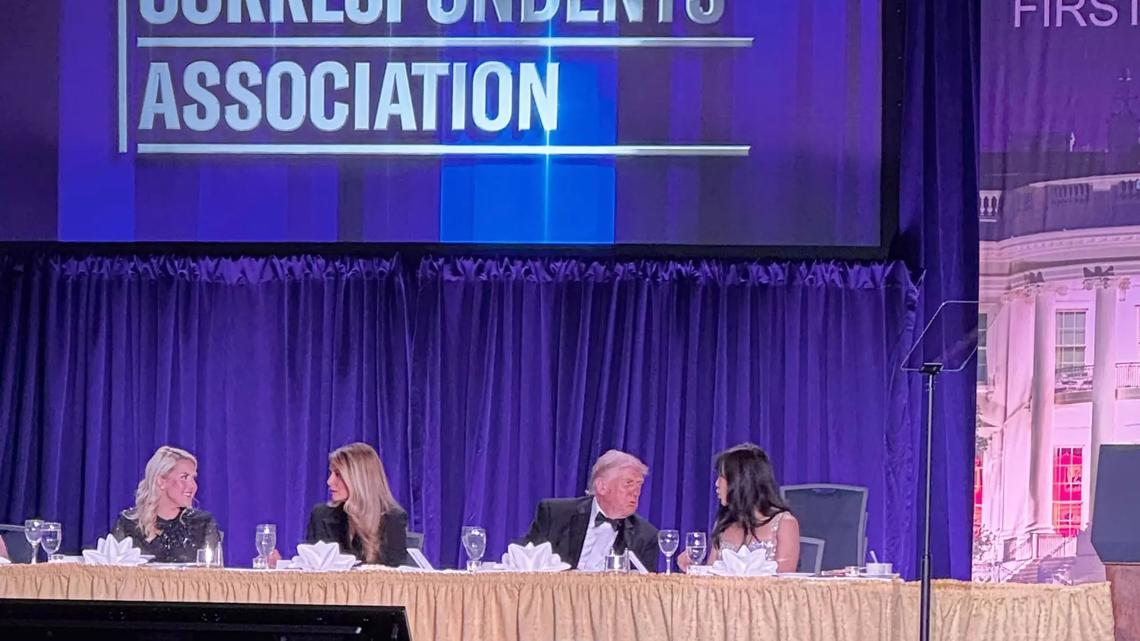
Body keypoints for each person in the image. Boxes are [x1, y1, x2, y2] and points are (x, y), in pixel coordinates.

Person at [520, 449, 659, 572]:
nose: (636, 492)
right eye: (628, 483)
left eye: (639, 485)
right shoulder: (555, 514)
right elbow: (525, 562)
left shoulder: (646, 536)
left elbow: (642, 591)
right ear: (601, 487)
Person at [679, 443, 800, 573]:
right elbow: (711, 578)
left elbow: (785, 582)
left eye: (722, 477)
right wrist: (693, 568)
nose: (716, 484)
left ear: (741, 481)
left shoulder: (784, 523)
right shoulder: (723, 525)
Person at [304, 442, 409, 566]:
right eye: (331, 473)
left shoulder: (393, 520)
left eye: (338, 475)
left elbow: (396, 578)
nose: (329, 481)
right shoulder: (320, 516)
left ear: (360, 480)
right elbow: (308, 570)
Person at [112, 446, 219, 563]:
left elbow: (211, 576)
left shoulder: (202, 524)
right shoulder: (128, 523)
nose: (193, 486)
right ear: (161, 482)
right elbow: (113, 575)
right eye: (184, 477)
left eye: (193, 478)